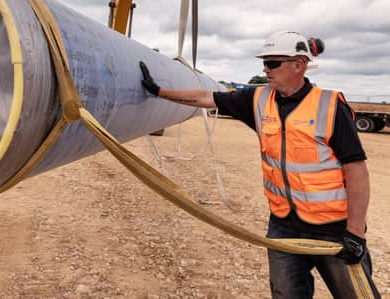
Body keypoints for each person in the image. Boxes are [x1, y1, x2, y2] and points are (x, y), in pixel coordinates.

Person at [139, 31, 380, 298]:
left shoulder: (330, 105)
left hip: (333, 228)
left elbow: (356, 170)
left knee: (356, 295)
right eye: (264, 63)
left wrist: (355, 232)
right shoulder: (257, 100)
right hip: (284, 226)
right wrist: (159, 92)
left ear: (299, 65)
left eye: (273, 63)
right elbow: (206, 98)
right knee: (286, 293)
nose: (266, 69)